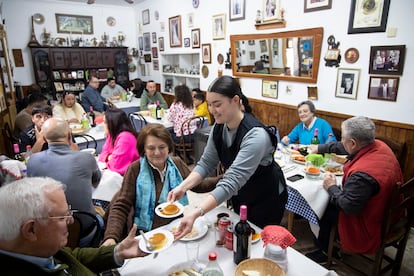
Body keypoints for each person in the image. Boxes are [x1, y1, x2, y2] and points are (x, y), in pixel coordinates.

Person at [168, 76, 287, 240]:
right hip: (242, 192)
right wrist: (182, 187)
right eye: (209, 104)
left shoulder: (255, 136)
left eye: (217, 104)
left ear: (236, 100)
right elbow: (206, 163)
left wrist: (197, 212)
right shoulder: (219, 126)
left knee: (257, 242)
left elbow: (231, 181)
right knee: (239, 237)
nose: (212, 110)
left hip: (265, 196)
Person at [101, 124, 220, 246]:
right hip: (146, 235)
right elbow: (121, 205)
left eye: (162, 147)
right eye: (151, 148)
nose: (157, 153)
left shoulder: (176, 163)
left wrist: (224, 179)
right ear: (144, 149)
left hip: (175, 228)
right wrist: (111, 237)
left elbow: (198, 185)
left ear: (169, 147)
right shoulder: (135, 169)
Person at [306, 116, 404, 263]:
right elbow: (343, 147)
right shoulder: (378, 145)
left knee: (323, 206)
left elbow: (348, 206)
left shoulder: (362, 175)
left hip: (370, 222)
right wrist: (320, 148)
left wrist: (331, 187)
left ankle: (326, 251)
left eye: (343, 138)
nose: (341, 142)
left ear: (352, 143)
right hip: (390, 211)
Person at [0, 177, 146, 275]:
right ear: (31, 230)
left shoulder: (39, 249)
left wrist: (117, 251)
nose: (71, 221)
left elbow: (71, 256)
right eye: (62, 217)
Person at [27, 117, 101, 219]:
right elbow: (96, 182)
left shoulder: (32, 161)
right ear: (69, 135)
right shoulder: (86, 158)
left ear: (44, 139)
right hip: (86, 224)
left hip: (50, 226)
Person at [98, 107, 139, 175]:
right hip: (117, 174)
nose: (102, 125)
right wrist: (109, 157)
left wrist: (109, 158)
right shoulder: (111, 134)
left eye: (105, 122)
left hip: (129, 177)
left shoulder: (125, 138)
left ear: (113, 123)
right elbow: (102, 155)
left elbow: (115, 167)